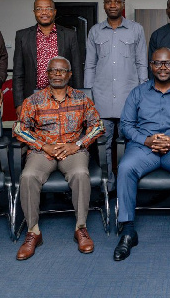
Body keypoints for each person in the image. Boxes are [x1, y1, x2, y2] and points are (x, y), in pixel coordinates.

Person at [114, 48, 170, 262]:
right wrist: (145, 140)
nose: (163, 68)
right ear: (151, 66)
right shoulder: (138, 93)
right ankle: (128, 231)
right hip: (144, 147)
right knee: (125, 168)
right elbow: (126, 125)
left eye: (167, 64)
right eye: (158, 63)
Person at [13, 56, 104, 260]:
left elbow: (98, 126)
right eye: (52, 71)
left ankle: (80, 227)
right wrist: (43, 145)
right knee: (28, 177)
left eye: (62, 71)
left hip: (72, 150)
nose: (57, 74)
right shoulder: (34, 100)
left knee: (81, 174)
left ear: (69, 75)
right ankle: (33, 232)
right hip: (42, 151)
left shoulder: (82, 99)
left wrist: (77, 145)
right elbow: (19, 128)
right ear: (47, 75)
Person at [84, 0, 148, 191]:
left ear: (123, 4)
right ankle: (107, 185)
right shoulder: (95, 31)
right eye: (108, 2)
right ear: (104, 5)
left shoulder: (136, 29)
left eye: (116, 2)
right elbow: (90, 65)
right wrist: (89, 96)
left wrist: (142, 95)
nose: (112, 5)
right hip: (101, 99)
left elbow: (141, 63)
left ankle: (127, 183)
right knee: (103, 145)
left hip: (129, 98)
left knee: (132, 145)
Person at [13, 0, 83, 118]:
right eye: (39, 9)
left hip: (63, 97)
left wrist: (78, 100)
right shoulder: (22, 36)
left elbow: (76, 69)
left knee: (64, 132)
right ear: (34, 12)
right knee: (35, 134)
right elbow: (18, 72)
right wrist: (19, 103)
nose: (44, 12)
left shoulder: (69, 35)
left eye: (48, 9)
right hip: (33, 98)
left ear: (54, 12)